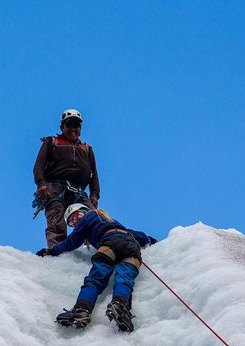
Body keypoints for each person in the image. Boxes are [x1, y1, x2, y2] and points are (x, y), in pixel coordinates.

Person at [37, 203, 158, 332]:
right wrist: (151, 240)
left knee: (96, 278)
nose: (75, 222)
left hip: (109, 243)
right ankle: (120, 306)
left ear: (84, 211)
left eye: (76, 216)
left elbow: (71, 242)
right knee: (125, 279)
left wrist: (51, 251)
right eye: (71, 223)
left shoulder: (89, 216)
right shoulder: (111, 221)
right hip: (132, 248)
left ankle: (82, 310)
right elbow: (138, 235)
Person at [33, 108, 100, 249]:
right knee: (56, 222)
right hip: (55, 188)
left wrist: (95, 194)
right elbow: (38, 166)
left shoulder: (87, 149)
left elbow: (94, 175)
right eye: (69, 125)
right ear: (62, 127)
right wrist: (41, 184)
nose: (73, 128)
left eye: (76, 125)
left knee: (94, 218)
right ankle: (57, 252)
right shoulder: (51, 142)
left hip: (79, 191)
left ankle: (102, 247)